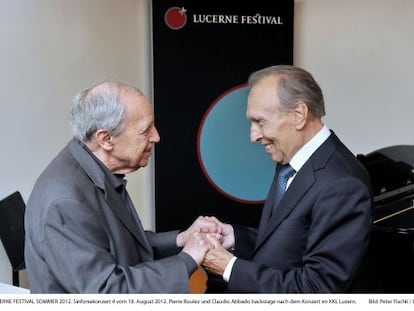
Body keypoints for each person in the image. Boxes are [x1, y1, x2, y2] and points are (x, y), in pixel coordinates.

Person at [24, 81, 220, 293]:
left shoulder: (91, 167)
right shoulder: (66, 202)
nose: (156, 136)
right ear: (106, 139)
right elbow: (108, 291)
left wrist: (181, 239)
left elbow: (121, 246)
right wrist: (187, 259)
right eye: (145, 130)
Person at [202, 65, 374, 293]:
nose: (253, 136)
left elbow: (316, 290)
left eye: (260, 122)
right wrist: (236, 238)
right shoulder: (291, 161)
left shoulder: (343, 185)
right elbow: (291, 242)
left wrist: (228, 267)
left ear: (299, 115)